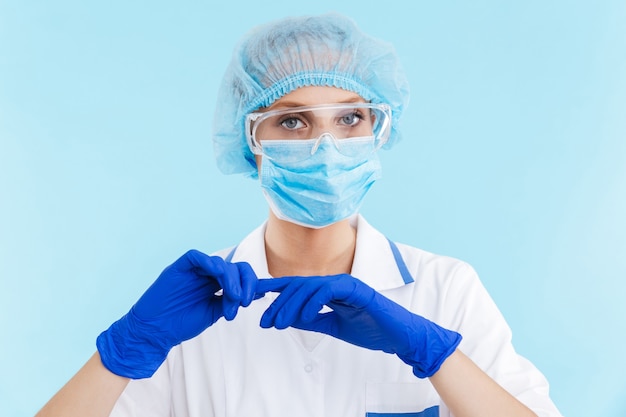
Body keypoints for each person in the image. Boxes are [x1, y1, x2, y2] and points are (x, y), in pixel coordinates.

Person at [36, 12, 563, 417]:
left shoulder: (444, 290)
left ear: (378, 128)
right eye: (292, 122)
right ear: (249, 138)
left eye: (351, 117)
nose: (327, 146)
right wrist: (125, 350)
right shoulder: (185, 312)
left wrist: (438, 356)